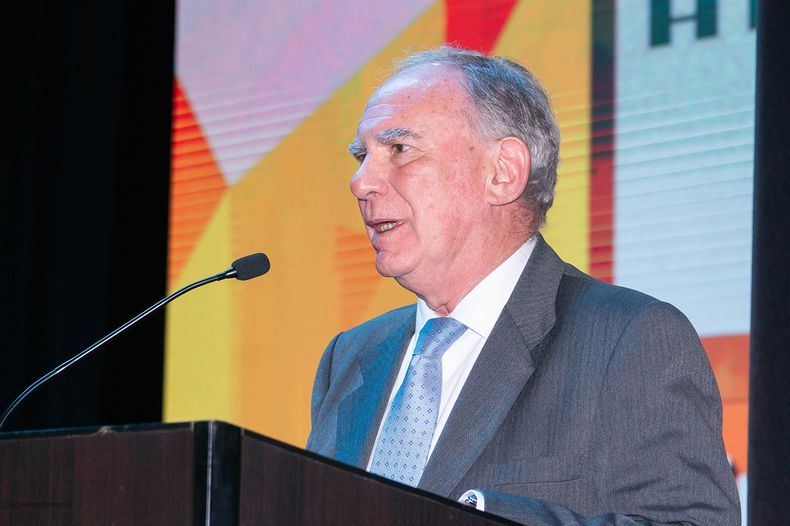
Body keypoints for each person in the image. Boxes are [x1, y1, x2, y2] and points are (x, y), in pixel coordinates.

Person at [306, 46, 740, 525]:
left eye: (399, 150)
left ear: (503, 172)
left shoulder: (628, 340)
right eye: (362, 156)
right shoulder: (350, 357)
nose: (361, 182)